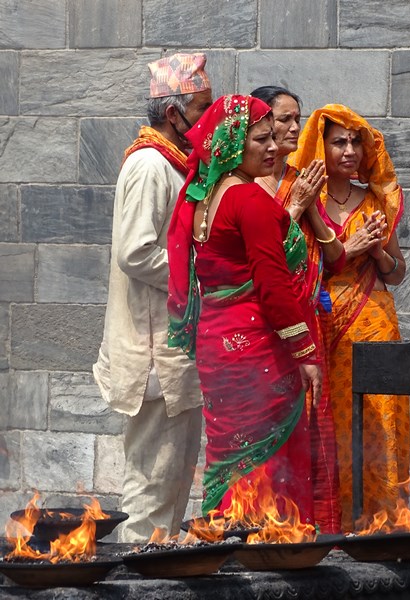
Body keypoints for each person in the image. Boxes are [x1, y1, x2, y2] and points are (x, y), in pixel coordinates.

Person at [167, 94, 323, 520]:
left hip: (216, 347)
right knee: (266, 460)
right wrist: (306, 353)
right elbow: (273, 287)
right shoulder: (249, 200)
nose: (273, 147)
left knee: (227, 456)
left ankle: (225, 546)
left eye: (274, 137)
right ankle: (264, 556)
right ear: (233, 143)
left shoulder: (203, 195)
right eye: (261, 138)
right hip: (255, 348)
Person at [92, 53, 213, 542]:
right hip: (155, 351)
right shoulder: (148, 165)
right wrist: (201, 280)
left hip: (172, 347)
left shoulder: (173, 164)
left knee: (170, 479)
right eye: (202, 110)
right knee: (152, 486)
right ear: (173, 114)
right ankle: (139, 578)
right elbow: (136, 252)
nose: (208, 122)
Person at [290, 104, 409, 532]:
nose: (350, 150)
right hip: (321, 323)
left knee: (378, 422)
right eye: (339, 141)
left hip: (373, 322)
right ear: (319, 147)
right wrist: (350, 248)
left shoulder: (376, 201)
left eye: (356, 141)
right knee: (330, 427)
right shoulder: (304, 200)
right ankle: (330, 526)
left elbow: (397, 272)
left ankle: (380, 525)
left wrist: (377, 252)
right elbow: (293, 267)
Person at [250, 86, 345, 533]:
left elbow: (335, 255)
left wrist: (310, 212)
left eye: (296, 119)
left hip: (306, 320)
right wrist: (293, 208)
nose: (291, 129)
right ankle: (264, 530)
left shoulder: (299, 178)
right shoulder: (242, 184)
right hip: (262, 325)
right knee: (270, 434)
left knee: (312, 435)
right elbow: (258, 252)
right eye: (282, 120)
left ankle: (311, 534)